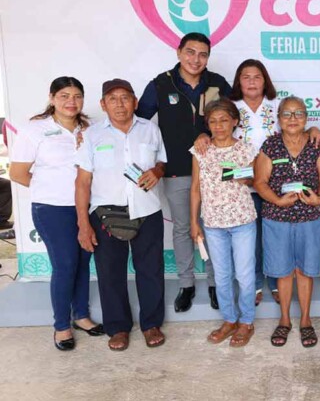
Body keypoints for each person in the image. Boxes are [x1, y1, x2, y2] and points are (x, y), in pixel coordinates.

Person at [212, 59, 320, 306]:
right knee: (250, 241)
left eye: (257, 76)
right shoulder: (230, 107)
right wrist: (201, 135)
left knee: (274, 237)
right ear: (238, 81)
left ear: (265, 80)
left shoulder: (277, 106)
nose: (252, 81)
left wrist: (316, 128)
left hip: (276, 186)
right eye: (246, 76)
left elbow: (298, 125)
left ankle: (277, 282)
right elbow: (215, 129)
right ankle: (253, 285)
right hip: (241, 184)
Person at [136, 32, 231, 312]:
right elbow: (140, 122)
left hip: (214, 170)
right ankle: (186, 284)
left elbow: (231, 120)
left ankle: (217, 284)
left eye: (203, 54)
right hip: (177, 169)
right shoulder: (161, 83)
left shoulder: (217, 83)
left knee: (213, 227)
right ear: (178, 52)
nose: (196, 59)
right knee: (182, 228)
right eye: (190, 52)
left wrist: (207, 136)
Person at [9, 76, 103, 351]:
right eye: (64, 96)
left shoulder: (90, 128)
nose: (71, 102)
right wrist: (50, 189)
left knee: (84, 263)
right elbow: (17, 173)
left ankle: (81, 316)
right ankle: (61, 326)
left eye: (76, 96)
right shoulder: (34, 130)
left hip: (86, 207)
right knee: (65, 266)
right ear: (52, 98)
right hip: (52, 209)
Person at [75, 79, 168, 351]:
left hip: (147, 209)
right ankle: (118, 328)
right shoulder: (92, 136)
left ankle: (151, 324)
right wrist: (83, 223)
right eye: (112, 99)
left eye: (125, 98)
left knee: (151, 270)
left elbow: (161, 162)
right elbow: (82, 182)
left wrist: (158, 172)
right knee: (110, 272)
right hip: (105, 213)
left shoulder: (151, 129)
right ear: (103, 104)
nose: (119, 104)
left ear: (135, 101)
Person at [254, 96, 320, 348]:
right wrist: (277, 201)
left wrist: (318, 198)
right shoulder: (270, 145)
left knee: (305, 271)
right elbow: (260, 182)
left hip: (309, 217)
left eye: (298, 113)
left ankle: (306, 321)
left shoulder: (316, 145)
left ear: (306, 118)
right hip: (278, 218)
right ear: (279, 119)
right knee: (284, 271)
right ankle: (285, 320)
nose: (292, 119)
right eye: (287, 114)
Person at [190, 99, 258, 347]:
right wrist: (193, 222)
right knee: (222, 275)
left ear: (235, 122)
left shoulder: (247, 149)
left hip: (242, 220)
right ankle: (229, 319)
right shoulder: (200, 150)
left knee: (245, 274)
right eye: (213, 121)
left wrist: (246, 178)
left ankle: (246, 321)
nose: (218, 126)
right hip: (212, 223)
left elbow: (255, 180)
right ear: (207, 124)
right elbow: (195, 189)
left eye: (224, 120)